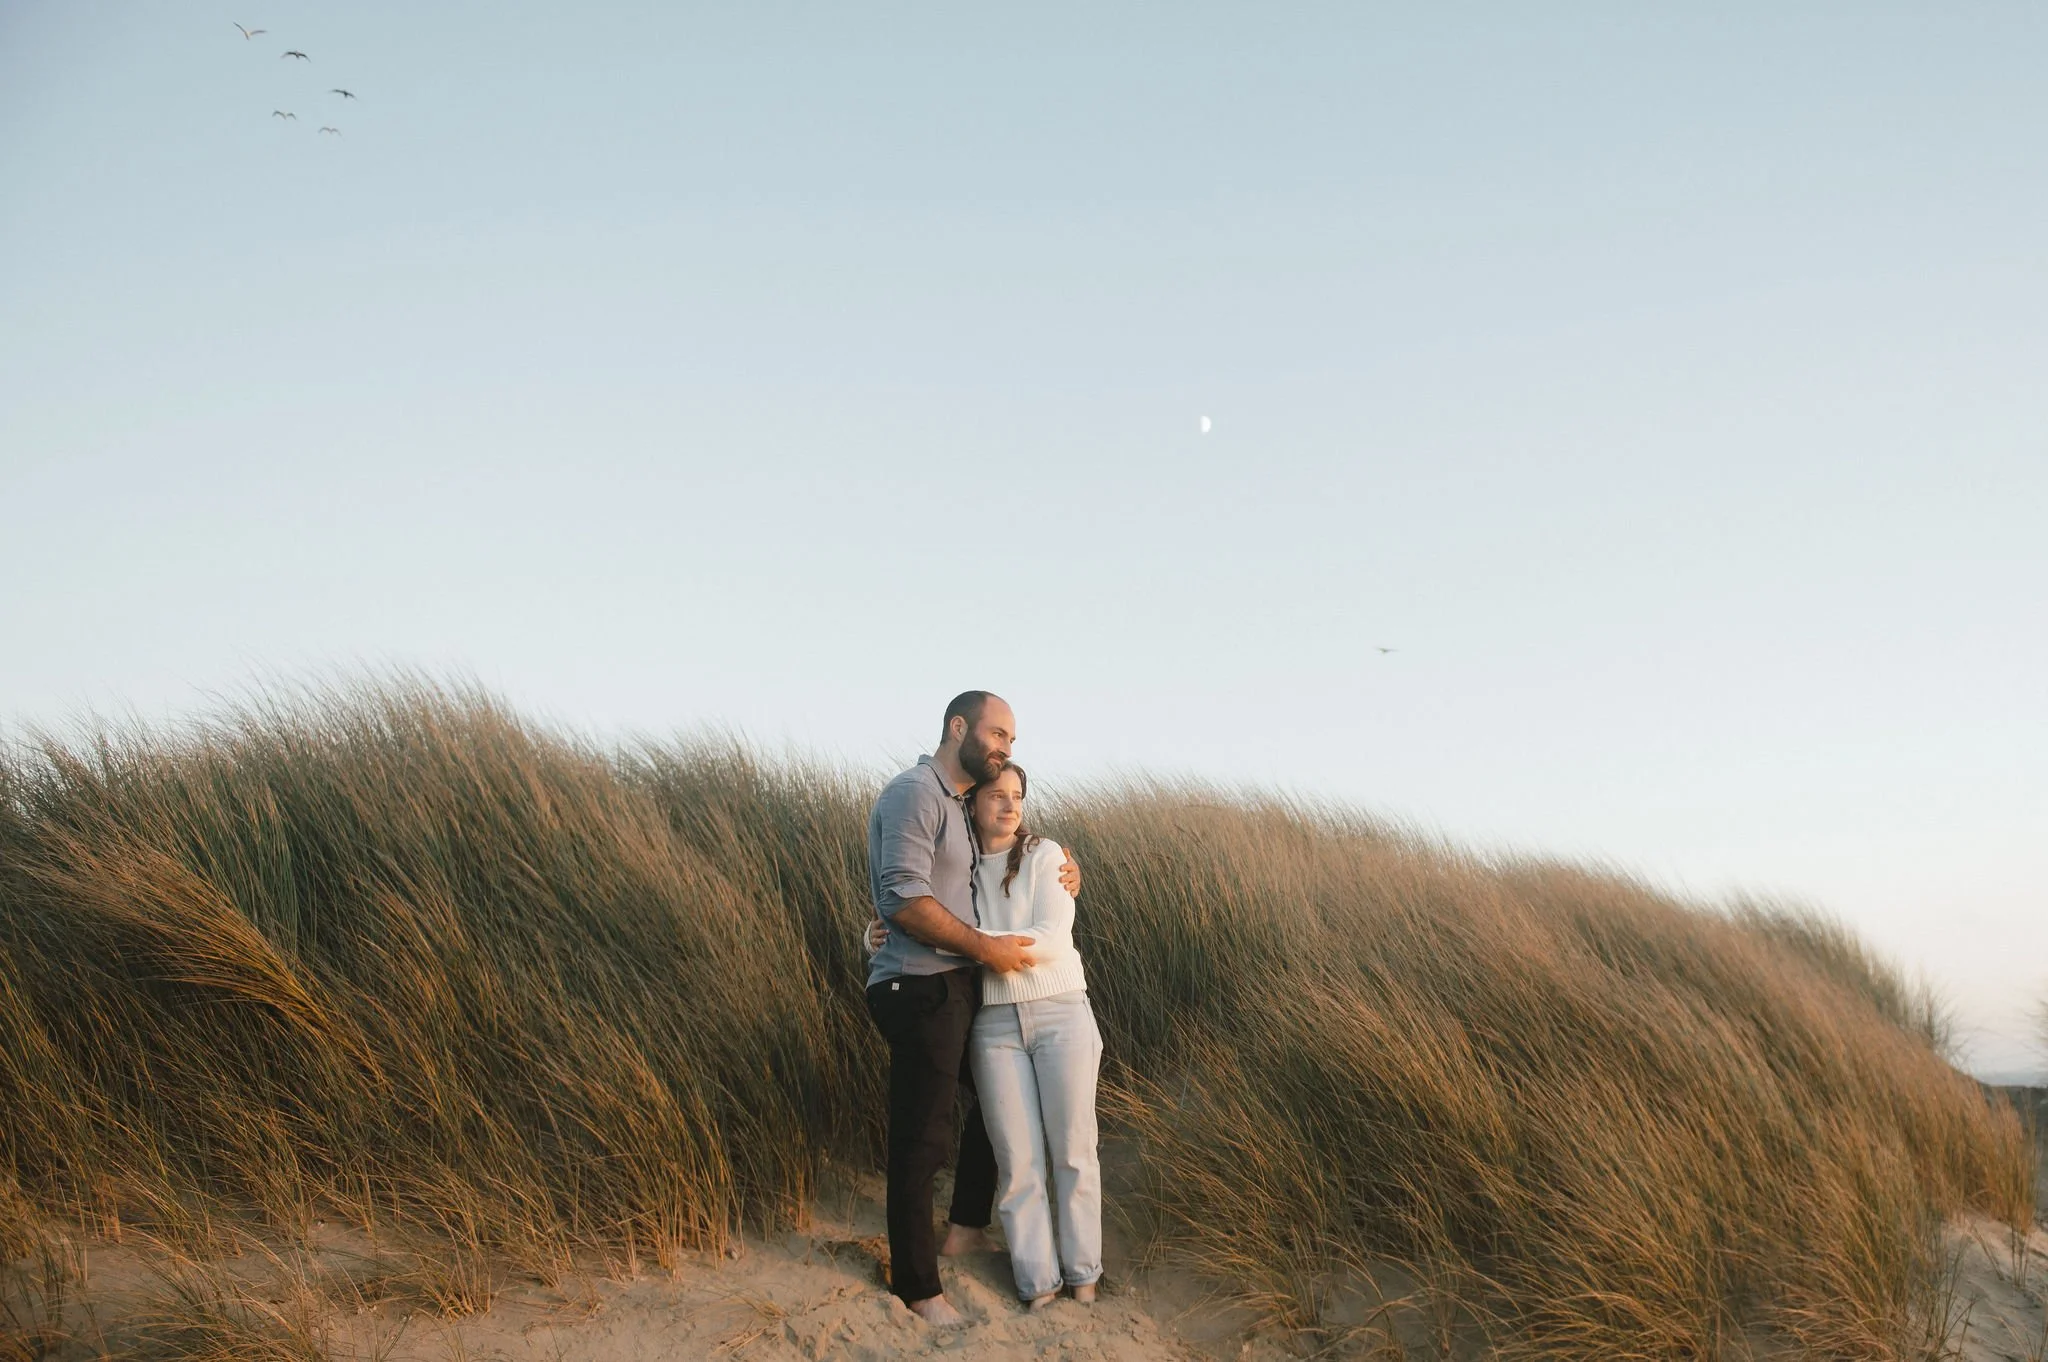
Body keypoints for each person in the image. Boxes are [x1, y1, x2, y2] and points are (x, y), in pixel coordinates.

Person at [864, 690, 1080, 1327]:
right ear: (959, 727)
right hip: (918, 986)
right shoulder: (915, 792)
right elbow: (903, 899)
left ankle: (963, 1228)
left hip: (956, 985)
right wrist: (985, 949)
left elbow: (993, 857)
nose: (1005, 748)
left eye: (1012, 741)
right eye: (998, 734)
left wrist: (1065, 865)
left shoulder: (959, 804)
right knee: (922, 1137)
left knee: (998, 1100)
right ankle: (918, 1289)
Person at [962, 762, 1103, 1310]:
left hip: (1061, 1012)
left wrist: (964, 941)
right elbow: (915, 917)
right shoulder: (956, 864)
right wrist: (875, 934)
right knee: (1018, 1162)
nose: (1009, 805)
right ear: (972, 802)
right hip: (994, 1024)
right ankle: (1038, 1285)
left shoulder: (1046, 855)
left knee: (1073, 1150)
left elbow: (1051, 939)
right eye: (996, 795)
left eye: (1017, 796)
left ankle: (1084, 1276)